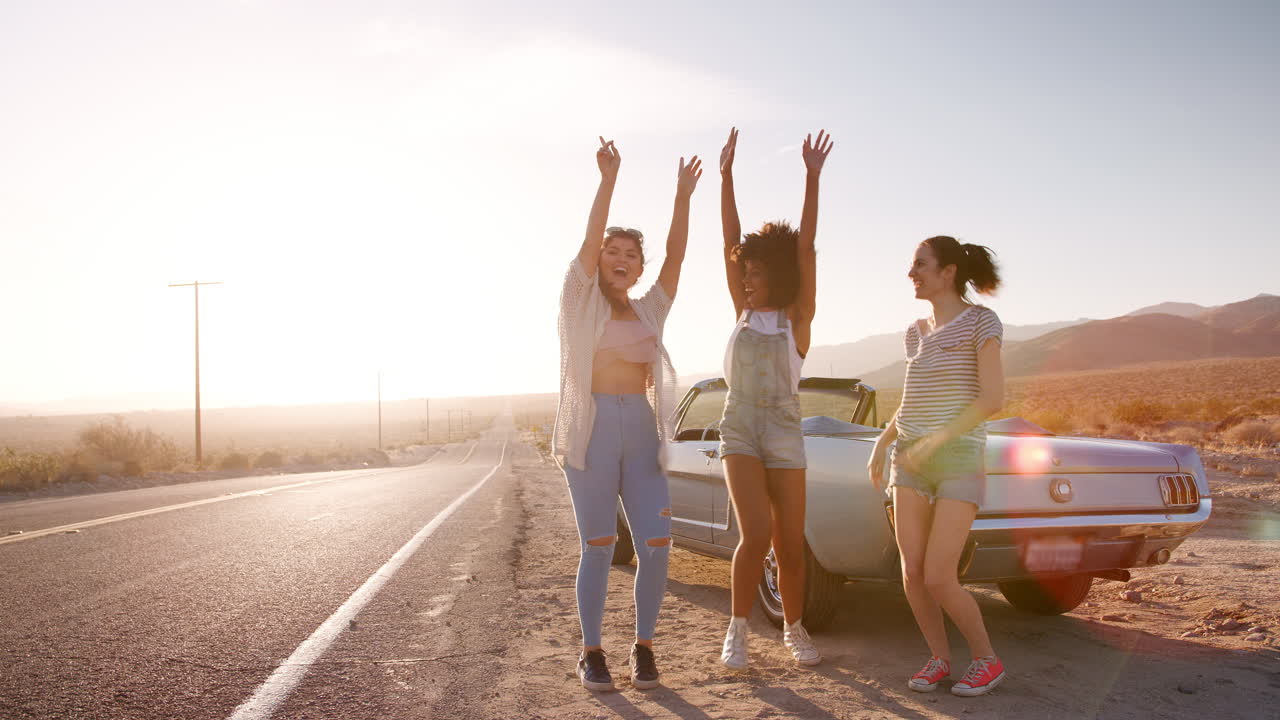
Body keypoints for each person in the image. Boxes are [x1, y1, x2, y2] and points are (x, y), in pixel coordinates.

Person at [553, 136, 702, 691]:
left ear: (638, 269)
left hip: (641, 432)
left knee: (657, 547)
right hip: (590, 433)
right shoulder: (579, 299)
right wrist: (607, 180)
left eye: (630, 255)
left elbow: (678, 256)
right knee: (597, 546)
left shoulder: (651, 309)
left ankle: (643, 647)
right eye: (613, 252)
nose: (620, 258)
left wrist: (683, 195)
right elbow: (589, 243)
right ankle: (592, 652)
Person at [866, 235, 1007, 697]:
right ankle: (940, 659)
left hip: (958, 459)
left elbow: (991, 399)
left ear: (948, 272)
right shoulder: (915, 331)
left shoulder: (980, 323)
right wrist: (881, 443)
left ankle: (987, 661)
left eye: (920, 265)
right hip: (908, 460)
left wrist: (936, 444)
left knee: (939, 574)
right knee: (911, 572)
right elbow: (912, 401)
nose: (912, 273)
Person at [716, 127, 832, 670]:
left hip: (785, 428)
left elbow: (806, 246)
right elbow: (729, 240)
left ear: (778, 276)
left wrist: (811, 178)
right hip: (739, 425)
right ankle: (737, 629)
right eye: (746, 271)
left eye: (758, 273)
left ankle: (794, 627)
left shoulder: (796, 320)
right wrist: (726, 177)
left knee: (790, 542)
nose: (747, 278)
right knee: (755, 533)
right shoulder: (741, 310)